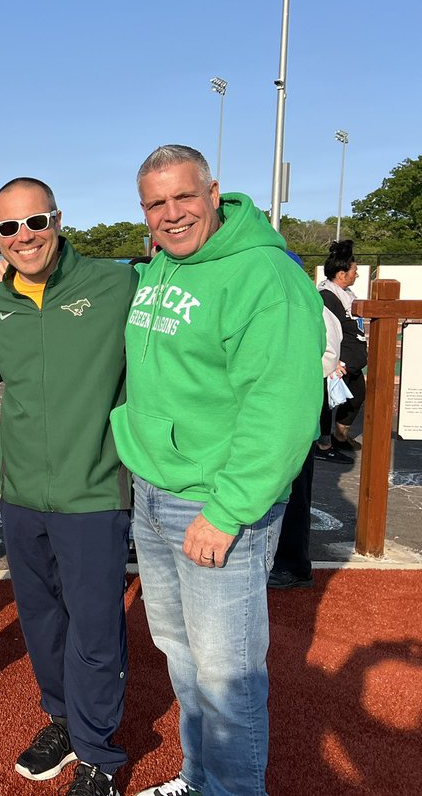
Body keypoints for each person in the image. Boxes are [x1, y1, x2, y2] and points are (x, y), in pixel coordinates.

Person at [111, 145, 323, 796]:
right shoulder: (162, 266)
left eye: (183, 197)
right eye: (155, 203)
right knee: (182, 657)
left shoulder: (264, 275)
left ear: (214, 193)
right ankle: (198, 778)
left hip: (213, 504)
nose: (171, 214)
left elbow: (281, 409)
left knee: (227, 675)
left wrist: (227, 510)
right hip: (154, 492)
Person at [0, 178, 135, 796]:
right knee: (41, 619)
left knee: (95, 626)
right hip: (20, 492)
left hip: (93, 490)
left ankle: (99, 752)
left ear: (58, 220)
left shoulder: (115, 284)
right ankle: (63, 720)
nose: (24, 237)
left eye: (35, 222)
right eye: (9, 228)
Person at [270, 254, 344, 590]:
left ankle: (293, 565)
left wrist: (290, 374)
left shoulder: (315, 307)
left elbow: (328, 358)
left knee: (294, 487)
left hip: (295, 408)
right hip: (273, 407)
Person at [314, 239, 366, 462]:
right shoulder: (327, 296)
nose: (357, 274)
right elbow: (325, 329)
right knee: (325, 403)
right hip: (337, 363)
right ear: (341, 273)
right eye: (354, 270)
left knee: (356, 397)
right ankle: (323, 445)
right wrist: (333, 361)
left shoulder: (347, 294)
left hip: (350, 362)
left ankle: (340, 437)